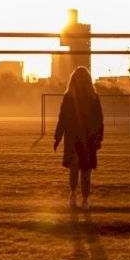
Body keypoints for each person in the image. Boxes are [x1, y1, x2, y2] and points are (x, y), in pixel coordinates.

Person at [53, 67, 104, 211]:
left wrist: (98, 139)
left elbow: (99, 120)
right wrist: (58, 137)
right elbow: (62, 118)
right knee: (74, 168)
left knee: (86, 170)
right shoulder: (69, 97)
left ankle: (85, 199)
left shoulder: (94, 98)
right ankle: (73, 194)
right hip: (74, 137)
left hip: (88, 138)